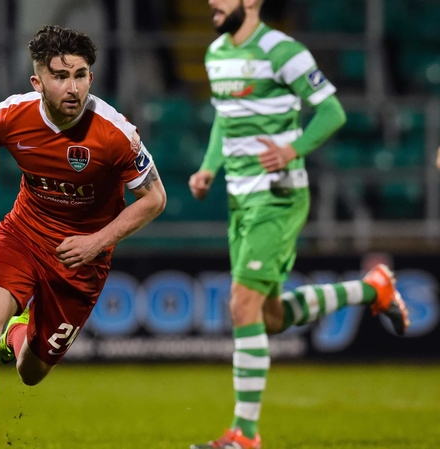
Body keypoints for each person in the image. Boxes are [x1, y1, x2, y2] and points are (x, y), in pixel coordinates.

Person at [0, 25, 167, 449]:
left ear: (91, 79)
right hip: (24, 234)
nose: (72, 86)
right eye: (60, 76)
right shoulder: (12, 114)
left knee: (31, 372)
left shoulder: (115, 132)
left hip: (82, 260)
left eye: (80, 75)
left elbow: (154, 198)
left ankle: (18, 332)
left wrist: (97, 241)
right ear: (37, 81)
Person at [188, 1, 410, 448]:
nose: (212, 1)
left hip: (278, 195)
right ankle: (373, 288)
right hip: (239, 199)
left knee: (241, 305)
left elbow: (332, 112)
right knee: (269, 318)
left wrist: (293, 149)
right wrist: (210, 166)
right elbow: (224, 120)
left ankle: (244, 435)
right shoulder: (216, 54)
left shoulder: (281, 50)